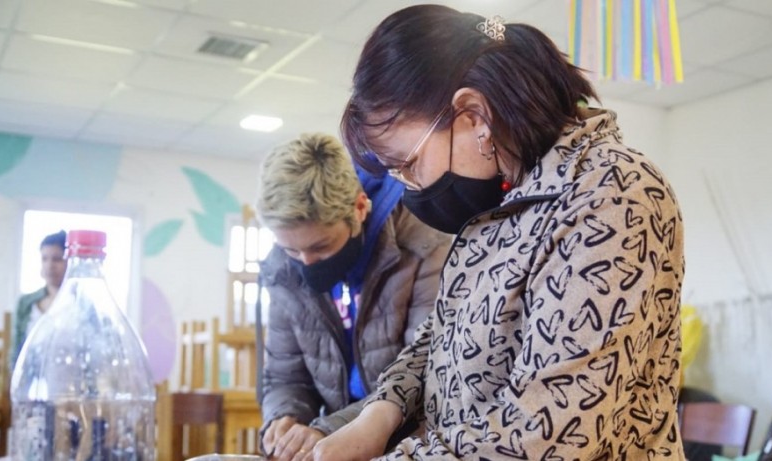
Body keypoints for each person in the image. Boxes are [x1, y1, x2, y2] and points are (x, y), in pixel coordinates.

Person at [312, 5, 686, 460]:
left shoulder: (612, 193)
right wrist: (382, 411)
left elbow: (548, 432)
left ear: (474, 116)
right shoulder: (502, 203)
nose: (408, 186)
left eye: (408, 164)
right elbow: (443, 336)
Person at [254, 133, 450, 460]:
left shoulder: (422, 247)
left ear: (359, 208)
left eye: (320, 246)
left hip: (412, 445)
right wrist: (284, 418)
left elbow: (424, 377)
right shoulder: (283, 272)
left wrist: (328, 429)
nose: (306, 262)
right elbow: (285, 376)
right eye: (290, 249)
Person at [11, 230, 67, 368]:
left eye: (57, 259)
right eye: (44, 259)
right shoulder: (26, 303)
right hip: (31, 376)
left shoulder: (82, 304)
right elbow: (16, 351)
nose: (50, 265)